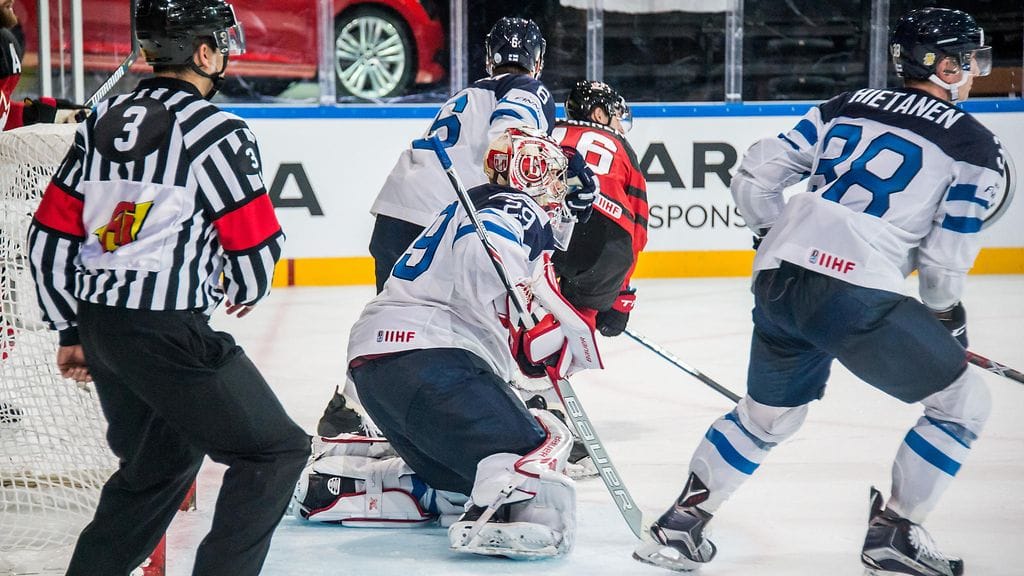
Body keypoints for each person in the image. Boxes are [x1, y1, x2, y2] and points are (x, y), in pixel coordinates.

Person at [633, 8, 1001, 576]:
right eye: (970, 60)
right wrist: (946, 319)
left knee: (767, 417)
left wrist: (776, 235)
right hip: (857, 293)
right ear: (946, 65)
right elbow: (943, 260)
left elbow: (755, 174)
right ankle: (895, 534)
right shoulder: (975, 145)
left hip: (779, 279)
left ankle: (680, 526)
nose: (975, 72)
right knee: (962, 405)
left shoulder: (845, 105)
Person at [26, 1, 310, 574]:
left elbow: (47, 235)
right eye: (220, 42)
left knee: (161, 463)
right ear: (202, 51)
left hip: (103, 326)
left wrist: (71, 328)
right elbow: (252, 237)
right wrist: (249, 284)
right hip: (168, 333)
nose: (226, 52)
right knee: (275, 450)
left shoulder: (101, 121)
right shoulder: (218, 131)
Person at [294, 128, 603, 558]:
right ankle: (500, 514)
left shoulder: (482, 208)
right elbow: (482, 254)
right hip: (431, 360)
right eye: (556, 182)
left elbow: (518, 344)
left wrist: (536, 338)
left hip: (381, 370)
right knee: (538, 445)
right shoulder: (516, 205)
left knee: (461, 483)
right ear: (533, 172)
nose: (559, 199)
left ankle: (343, 482)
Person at [316, 16, 595, 437]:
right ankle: (535, 414)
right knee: (497, 326)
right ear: (537, 61)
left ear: (488, 58)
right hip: (446, 224)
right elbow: (511, 143)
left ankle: (350, 411)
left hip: (399, 215)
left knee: (398, 333)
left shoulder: (467, 95)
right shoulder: (528, 89)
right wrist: (568, 167)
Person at [553, 79, 648, 337]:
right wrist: (622, 295)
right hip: (602, 244)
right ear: (598, 114)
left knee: (529, 313)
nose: (620, 126)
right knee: (579, 326)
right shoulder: (621, 148)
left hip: (543, 234)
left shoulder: (547, 131)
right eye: (616, 116)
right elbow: (637, 231)